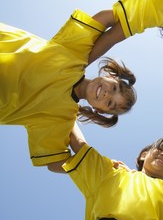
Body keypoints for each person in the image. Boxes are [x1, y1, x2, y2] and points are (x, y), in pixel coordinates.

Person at [0, 10, 137, 171]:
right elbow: (104, 19)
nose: (107, 94)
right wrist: (133, 13)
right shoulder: (75, 54)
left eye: (110, 103)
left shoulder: (62, 118)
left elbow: (55, 162)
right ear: (110, 76)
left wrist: (100, 168)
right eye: (114, 88)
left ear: (98, 110)